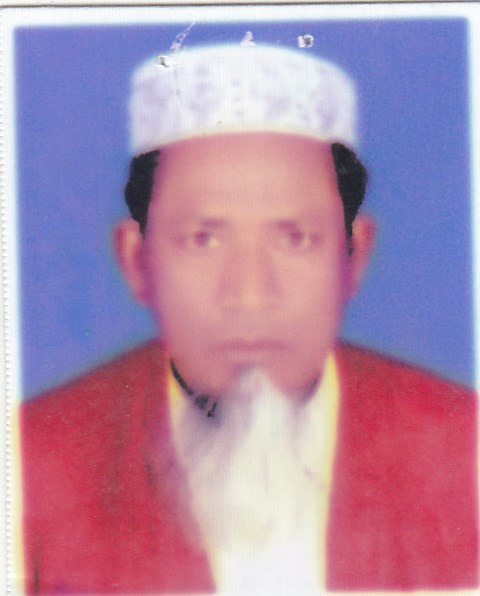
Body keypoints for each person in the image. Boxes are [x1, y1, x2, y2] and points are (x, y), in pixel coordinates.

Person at [20, 44, 478, 594]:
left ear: (354, 255)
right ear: (136, 260)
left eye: (294, 238)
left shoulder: (463, 449)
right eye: (204, 239)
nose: (250, 294)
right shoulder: (28, 465)